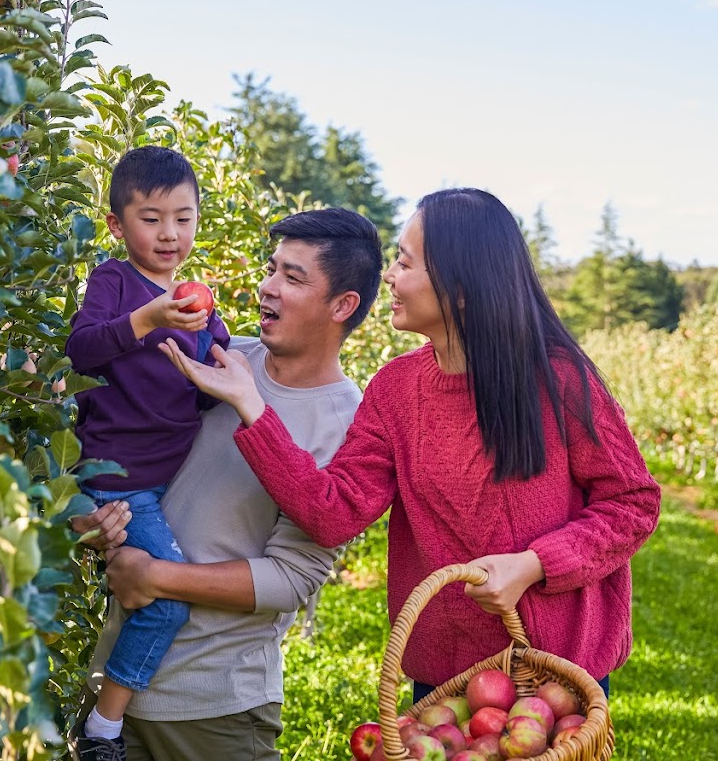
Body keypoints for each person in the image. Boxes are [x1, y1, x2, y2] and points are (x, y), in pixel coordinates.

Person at [162, 188, 662, 705]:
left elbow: (633, 503)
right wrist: (253, 407)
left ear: (460, 286)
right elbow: (332, 513)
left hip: (557, 672)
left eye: (404, 262)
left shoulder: (559, 381)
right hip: (445, 675)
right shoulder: (396, 389)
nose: (390, 277)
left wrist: (534, 564)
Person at [72, 207, 384, 761]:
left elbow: (293, 577)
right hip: (113, 688)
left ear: (342, 305)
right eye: (271, 269)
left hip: (214, 711)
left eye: (292, 277)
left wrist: (155, 575)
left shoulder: (348, 422)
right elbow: (117, 448)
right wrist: (93, 522)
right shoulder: (215, 356)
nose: (266, 288)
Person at [64, 145, 230, 759]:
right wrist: (146, 318)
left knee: (149, 593)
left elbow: (206, 384)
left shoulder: (195, 298)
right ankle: (103, 731)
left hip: (169, 479)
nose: (170, 233)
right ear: (117, 224)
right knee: (166, 605)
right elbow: (81, 350)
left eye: (183, 218)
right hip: (121, 478)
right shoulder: (115, 281)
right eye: (152, 218)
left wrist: (215, 344)